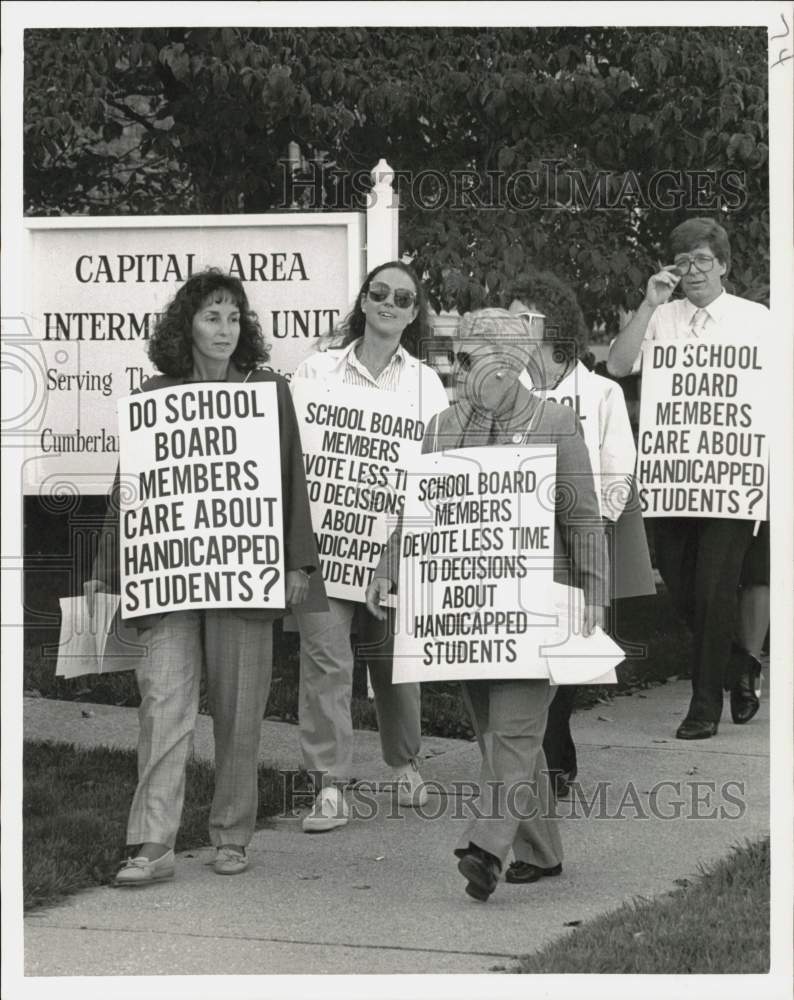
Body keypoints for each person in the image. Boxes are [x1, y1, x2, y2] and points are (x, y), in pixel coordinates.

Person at [85, 270, 323, 884]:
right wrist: (105, 572)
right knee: (163, 702)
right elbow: (130, 489)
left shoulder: (267, 393)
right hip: (167, 574)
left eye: (233, 317)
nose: (224, 328)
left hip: (244, 572)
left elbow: (292, 476)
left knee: (241, 710)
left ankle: (233, 834)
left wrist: (298, 562)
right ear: (187, 324)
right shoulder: (156, 394)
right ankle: (152, 843)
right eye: (212, 316)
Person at [367, 309, 608, 901]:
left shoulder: (557, 423)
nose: (460, 371)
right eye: (458, 360)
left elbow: (582, 519)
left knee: (515, 733)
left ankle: (486, 848)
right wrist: (387, 563)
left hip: (537, 609)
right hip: (464, 612)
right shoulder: (440, 427)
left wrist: (595, 592)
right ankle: (542, 850)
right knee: (496, 735)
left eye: (472, 360)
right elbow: (418, 511)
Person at [290, 261, 449, 832]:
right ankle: (329, 786)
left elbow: (432, 474)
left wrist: (398, 551)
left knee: (395, 665)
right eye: (378, 292)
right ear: (363, 300)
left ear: (414, 312)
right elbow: (292, 459)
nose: (389, 303)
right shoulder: (315, 370)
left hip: (394, 547)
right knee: (325, 663)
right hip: (323, 546)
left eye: (402, 298)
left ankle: (405, 762)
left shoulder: (426, 383)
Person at [607, 218, 770, 740]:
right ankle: (739, 665)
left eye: (703, 260)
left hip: (731, 478)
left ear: (723, 265)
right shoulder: (661, 316)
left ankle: (704, 707)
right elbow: (617, 363)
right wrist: (650, 303)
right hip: (675, 477)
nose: (693, 270)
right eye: (683, 262)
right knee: (680, 586)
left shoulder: (757, 319)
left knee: (716, 588)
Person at [507, 269, 652, 796]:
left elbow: (618, 468)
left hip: (582, 539)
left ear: (554, 326)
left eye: (529, 317)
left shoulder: (602, 393)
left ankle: (554, 742)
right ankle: (545, 755)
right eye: (513, 317)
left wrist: (593, 527)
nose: (519, 328)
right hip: (520, 541)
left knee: (567, 656)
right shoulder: (505, 392)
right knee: (529, 656)